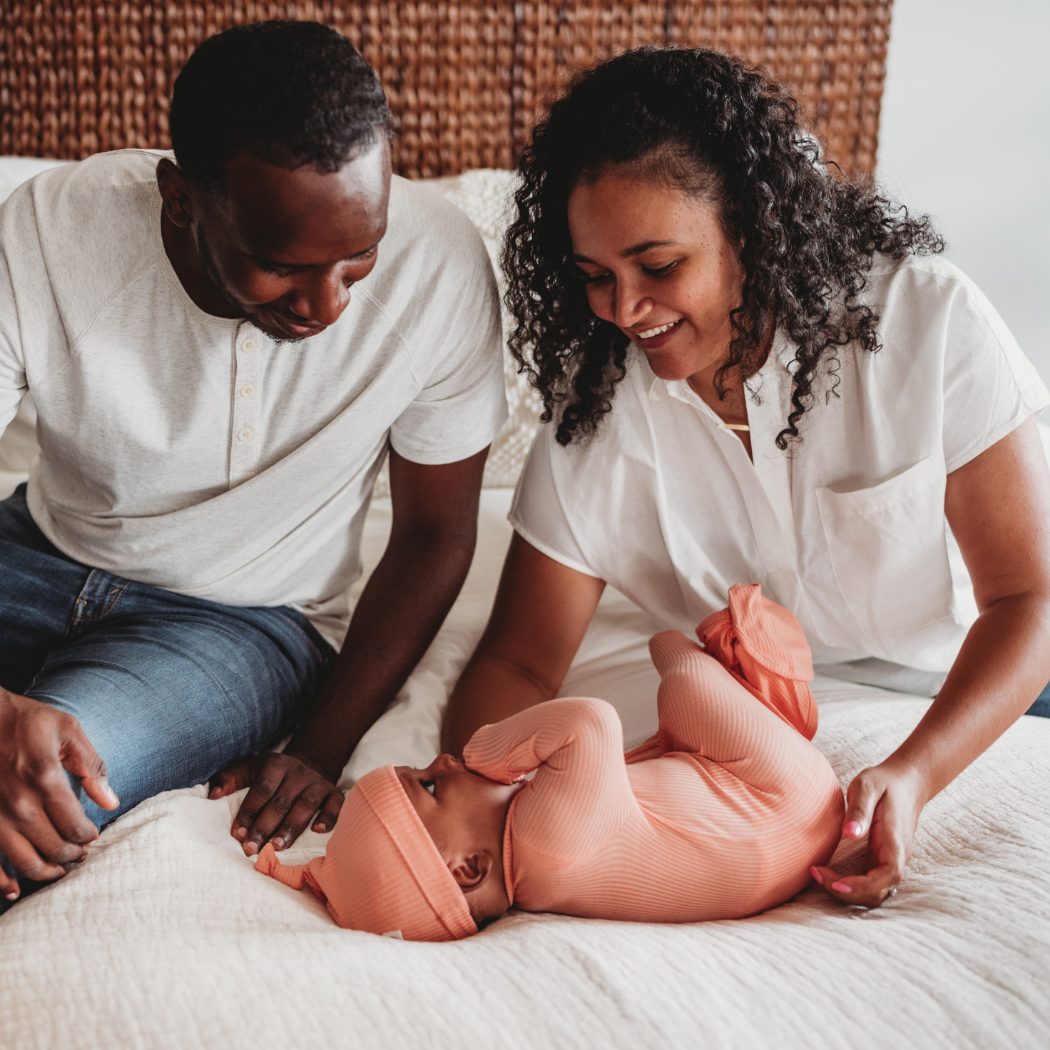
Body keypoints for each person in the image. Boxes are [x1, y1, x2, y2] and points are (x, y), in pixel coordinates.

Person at [440, 47, 1050, 910]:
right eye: (594, 279)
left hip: (982, 682)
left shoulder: (923, 320)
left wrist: (912, 775)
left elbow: (1031, 601)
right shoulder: (601, 406)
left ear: (754, 230)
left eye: (658, 267)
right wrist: (483, 797)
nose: (623, 310)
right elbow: (517, 661)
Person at [0, 20, 506, 908]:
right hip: (30, 555)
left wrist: (318, 746)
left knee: (43, 804)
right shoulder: (47, 228)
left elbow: (433, 533)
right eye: (279, 267)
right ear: (180, 199)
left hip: (238, 624)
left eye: (359, 258)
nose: (328, 304)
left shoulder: (443, 269)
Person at [257, 585, 844, 940]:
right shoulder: (544, 840)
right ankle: (756, 668)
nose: (442, 759)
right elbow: (591, 722)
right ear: (468, 870)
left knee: (660, 756)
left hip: (790, 839)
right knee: (677, 662)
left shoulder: (540, 882)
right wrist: (486, 747)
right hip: (790, 797)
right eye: (431, 784)